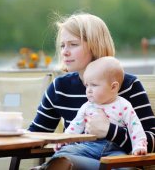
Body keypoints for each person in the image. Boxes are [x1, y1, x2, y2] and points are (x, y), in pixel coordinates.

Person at [29, 13, 155, 170]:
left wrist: (109, 130)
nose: (65, 52)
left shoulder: (128, 84)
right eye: (62, 45)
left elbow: (151, 140)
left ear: (95, 46)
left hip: (118, 162)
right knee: (62, 161)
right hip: (79, 158)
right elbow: (35, 134)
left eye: (73, 44)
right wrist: (4, 130)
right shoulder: (59, 88)